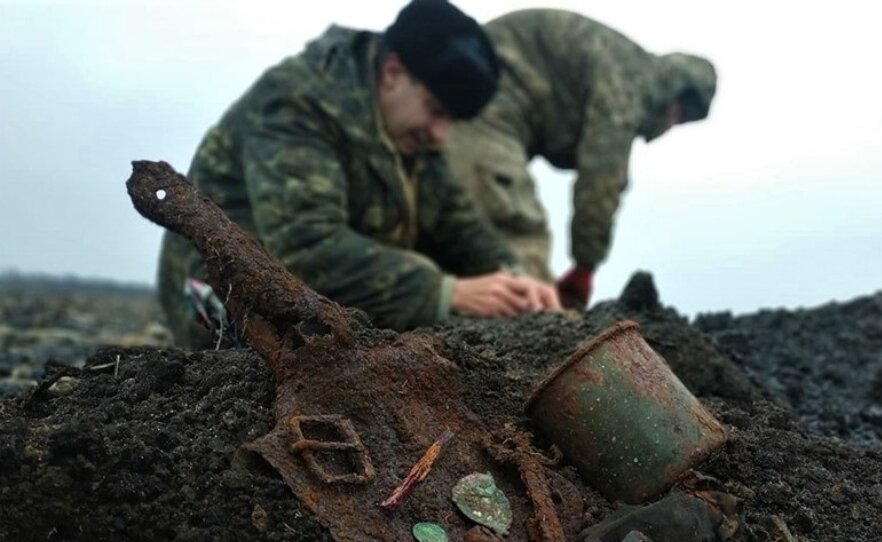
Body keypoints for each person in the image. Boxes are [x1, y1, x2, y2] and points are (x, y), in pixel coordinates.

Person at [155, 0, 562, 348]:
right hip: (225, 311)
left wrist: (514, 281)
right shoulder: (298, 104)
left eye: (451, 121)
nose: (441, 135)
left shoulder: (410, 134)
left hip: (325, 310)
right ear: (392, 72)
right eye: (436, 110)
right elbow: (306, 247)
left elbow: (457, 226)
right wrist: (444, 293)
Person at [442, 9, 718, 310]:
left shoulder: (624, 68)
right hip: (485, 107)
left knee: (452, 230)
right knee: (516, 236)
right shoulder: (627, 83)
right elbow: (601, 178)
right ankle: (539, 330)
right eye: (680, 116)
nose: (672, 126)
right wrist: (584, 268)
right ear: (676, 98)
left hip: (476, 100)